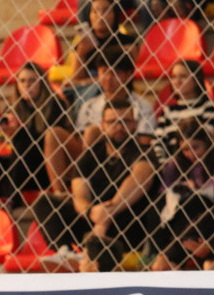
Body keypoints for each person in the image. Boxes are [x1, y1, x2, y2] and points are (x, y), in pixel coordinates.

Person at [35, 98, 160, 271]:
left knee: (134, 203)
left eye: (125, 121)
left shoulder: (143, 151)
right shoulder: (93, 154)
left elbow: (141, 178)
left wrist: (109, 212)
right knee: (45, 202)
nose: (119, 127)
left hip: (127, 223)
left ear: (135, 125)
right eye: (113, 122)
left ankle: (91, 253)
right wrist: (91, 211)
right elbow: (79, 193)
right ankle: (67, 252)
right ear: (102, 125)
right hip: (93, 221)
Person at [46, 45, 156, 194]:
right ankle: (61, 193)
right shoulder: (90, 105)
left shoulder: (142, 106)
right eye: (104, 72)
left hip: (123, 156)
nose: (108, 79)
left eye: (115, 73)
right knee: (54, 134)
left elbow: (144, 143)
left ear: (129, 75)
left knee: (93, 131)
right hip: (87, 157)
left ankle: (89, 187)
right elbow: (80, 140)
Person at [0, 63, 72, 201]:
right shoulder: (13, 107)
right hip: (20, 165)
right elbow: (1, 142)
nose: (26, 85)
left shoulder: (55, 104)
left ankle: (11, 198)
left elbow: (47, 141)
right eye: (22, 81)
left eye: (32, 80)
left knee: (22, 140)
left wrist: (20, 131)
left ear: (42, 83)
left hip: (45, 168)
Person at [152, 60, 214, 165]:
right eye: (173, 77)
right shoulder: (168, 111)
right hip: (172, 165)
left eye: (183, 76)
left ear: (196, 79)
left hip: (202, 164)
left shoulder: (207, 107)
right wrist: (164, 164)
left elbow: (208, 136)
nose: (177, 81)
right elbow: (158, 141)